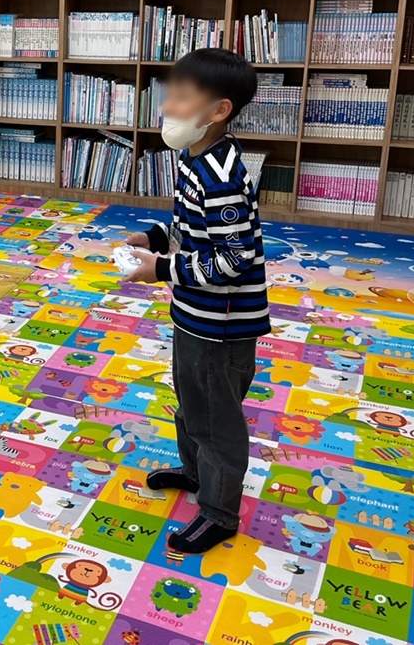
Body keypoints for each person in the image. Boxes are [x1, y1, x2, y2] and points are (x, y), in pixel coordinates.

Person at [121, 49, 269, 554]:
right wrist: (156, 237)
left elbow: (234, 258)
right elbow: (193, 228)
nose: (167, 107)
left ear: (219, 110)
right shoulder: (195, 158)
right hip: (193, 315)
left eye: (182, 98)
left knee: (215, 420)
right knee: (191, 402)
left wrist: (162, 269)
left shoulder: (221, 176)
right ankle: (195, 472)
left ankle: (219, 512)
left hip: (221, 325)